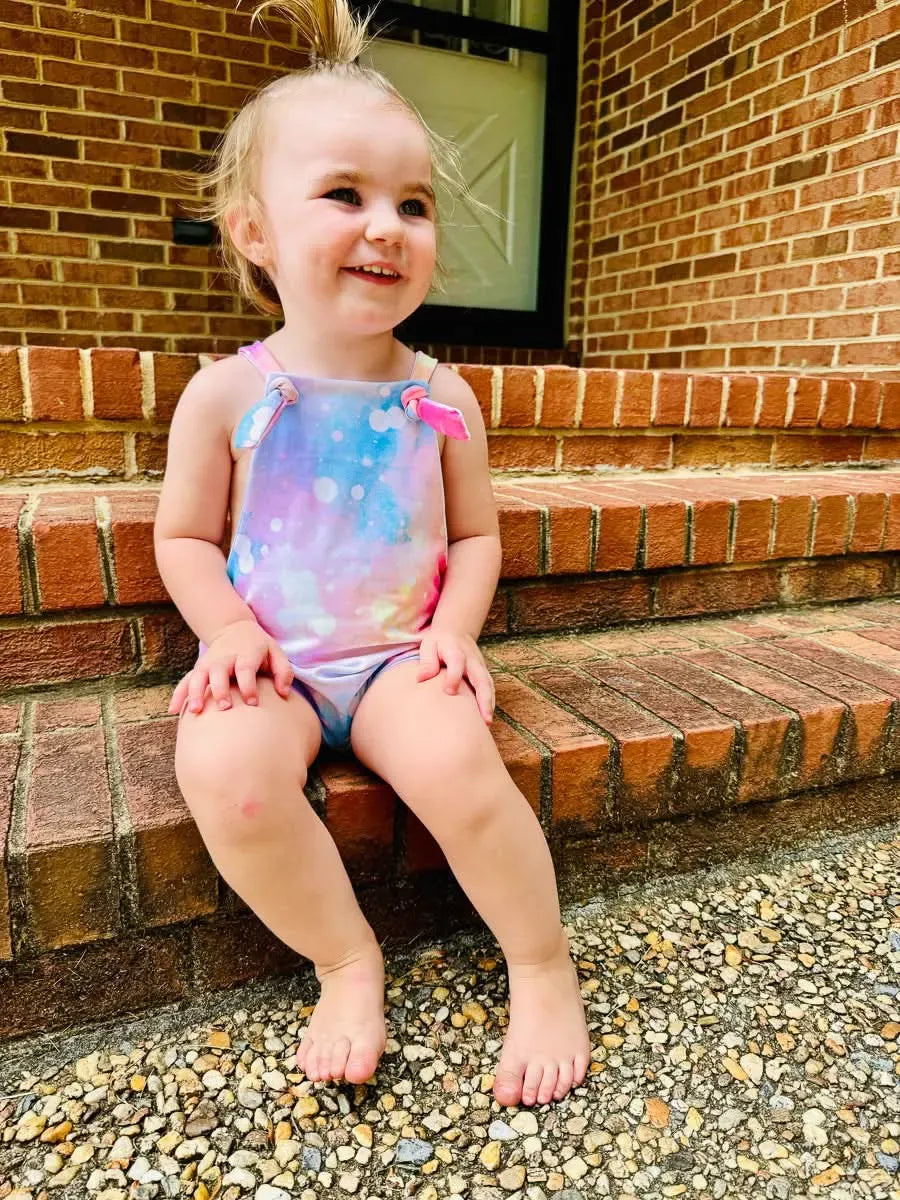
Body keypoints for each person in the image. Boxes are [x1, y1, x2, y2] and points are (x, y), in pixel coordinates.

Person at [153, 0, 590, 1108]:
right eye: (345, 195)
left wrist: (450, 632)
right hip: (280, 659)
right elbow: (186, 538)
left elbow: (478, 533)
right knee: (226, 776)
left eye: (414, 203)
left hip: (399, 658)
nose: (387, 226)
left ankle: (541, 963)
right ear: (255, 231)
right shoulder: (230, 393)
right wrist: (231, 631)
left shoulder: (439, 395)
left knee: (460, 772)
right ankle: (346, 961)